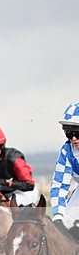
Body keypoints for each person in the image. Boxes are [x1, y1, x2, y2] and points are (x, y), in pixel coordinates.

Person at [0, 125, 38, 206]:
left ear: (2, 146)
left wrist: (6, 183)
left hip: (23, 193)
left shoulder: (14, 159)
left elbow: (29, 185)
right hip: (3, 193)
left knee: (12, 205)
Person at [50, 102, 79, 241]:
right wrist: (58, 217)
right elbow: (60, 185)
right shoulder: (66, 151)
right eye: (69, 133)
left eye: (77, 133)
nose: (73, 139)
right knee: (66, 225)